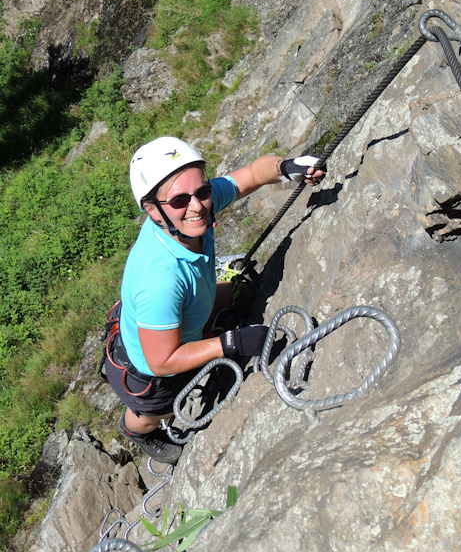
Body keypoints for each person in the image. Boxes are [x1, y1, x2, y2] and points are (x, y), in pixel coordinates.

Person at [105, 136, 324, 464]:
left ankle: (208, 331)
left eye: (203, 192)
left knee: (245, 292)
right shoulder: (160, 279)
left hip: (191, 308)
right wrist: (231, 342)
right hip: (152, 368)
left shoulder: (191, 210)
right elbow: (161, 361)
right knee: (159, 409)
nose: (197, 206)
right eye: (180, 200)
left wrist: (287, 167)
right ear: (152, 210)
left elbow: (250, 175)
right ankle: (136, 429)